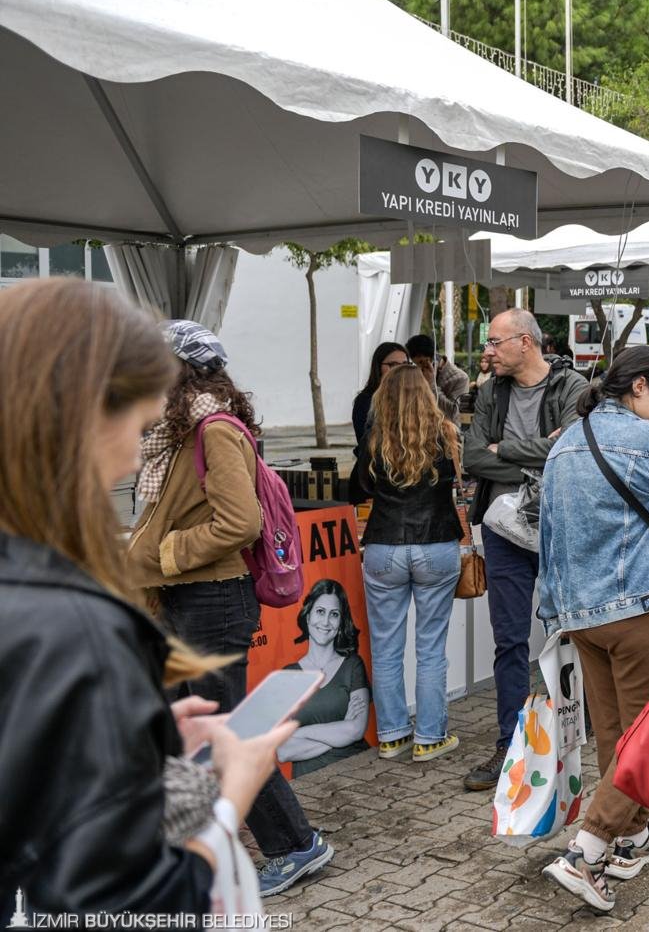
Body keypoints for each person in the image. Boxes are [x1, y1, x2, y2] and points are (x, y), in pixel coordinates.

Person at [0, 280, 299, 920]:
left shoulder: (46, 602)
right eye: (136, 417)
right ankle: (296, 840)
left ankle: (297, 843)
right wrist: (223, 802)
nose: (137, 451)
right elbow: (129, 903)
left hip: (209, 597)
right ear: (87, 416)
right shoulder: (75, 625)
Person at [126, 320, 332, 896]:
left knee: (228, 733)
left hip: (212, 599)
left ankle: (296, 844)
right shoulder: (178, 432)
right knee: (190, 731)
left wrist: (167, 554)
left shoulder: (212, 430)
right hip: (189, 599)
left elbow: (241, 523)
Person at [538, 346, 649, 911]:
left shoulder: (566, 442)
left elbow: (548, 532)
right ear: (639, 387)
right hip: (643, 609)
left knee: (618, 733)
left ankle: (633, 835)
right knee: (646, 737)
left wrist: (556, 610)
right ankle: (586, 851)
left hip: (582, 614)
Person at [460, 309, 588, 791]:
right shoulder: (492, 391)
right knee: (509, 638)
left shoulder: (572, 387)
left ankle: (574, 729)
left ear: (525, 343)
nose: (486, 352)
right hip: (502, 528)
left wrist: (505, 451)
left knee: (570, 628)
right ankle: (510, 742)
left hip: (559, 523)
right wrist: (530, 451)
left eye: (494, 342)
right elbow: (473, 458)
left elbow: (569, 451)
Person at [347, 363, 465, 765]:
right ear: (428, 394)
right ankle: (430, 737)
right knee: (431, 648)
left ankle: (392, 735)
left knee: (385, 648)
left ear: (384, 396)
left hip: (384, 546)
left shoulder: (374, 437)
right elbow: (455, 483)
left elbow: (357, 487)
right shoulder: (445, 434)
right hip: (436, 544)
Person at [277, 580, 371, 775]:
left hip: (358, 770)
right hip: (309, 784)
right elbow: (283, 751)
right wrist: (341, 730)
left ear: (341, 621)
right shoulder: (287, 675)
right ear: (308, 614)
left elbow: (356, 730)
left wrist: (299, 734)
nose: (326, 622)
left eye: (334, 614)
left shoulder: (353, 665)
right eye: (320, 611)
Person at [405, 333, 471, 424]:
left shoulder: (460, 378)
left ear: (429, 359)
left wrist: (432, 385)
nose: (419, 368)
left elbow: (454, 414)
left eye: (421, 363)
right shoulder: (417, 373)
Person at [351, 342, 408, 443]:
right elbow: (366, 443)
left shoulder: (413, 396)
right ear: (378, 367)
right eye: (393, 365)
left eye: (405, 365)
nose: (400, 370)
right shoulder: (365, 400)